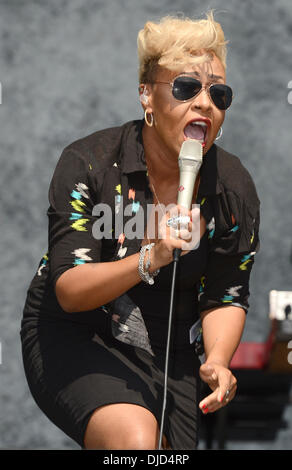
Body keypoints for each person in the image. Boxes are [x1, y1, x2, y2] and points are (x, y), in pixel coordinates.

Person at [20, 12, 260, 450]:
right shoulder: (90, 163)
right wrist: (152, 255)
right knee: (134, 442)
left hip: (171, 348)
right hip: (80, 331)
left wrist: (219, 360)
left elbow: (225, 293)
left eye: (218, 93)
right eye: (187, 88)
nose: (205, 103)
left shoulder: (232, 189)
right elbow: (70, 289)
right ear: (147, 96)